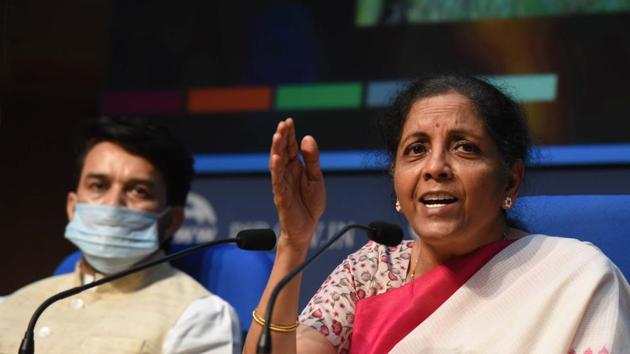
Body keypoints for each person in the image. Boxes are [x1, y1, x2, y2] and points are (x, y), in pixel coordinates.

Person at [243, 75, 630, 353]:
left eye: (464, 148)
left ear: (510, 181)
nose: (435, 167)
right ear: (396, 179)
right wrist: (294, 242)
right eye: (415, 149)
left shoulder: (575, 276)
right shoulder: (371, 272)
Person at [0, 117, 241, 354]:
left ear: (171, 221)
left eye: (139, 190)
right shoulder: (10, 306)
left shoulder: (199, 317)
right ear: (73, 207)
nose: (113, 204)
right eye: (99, 186)